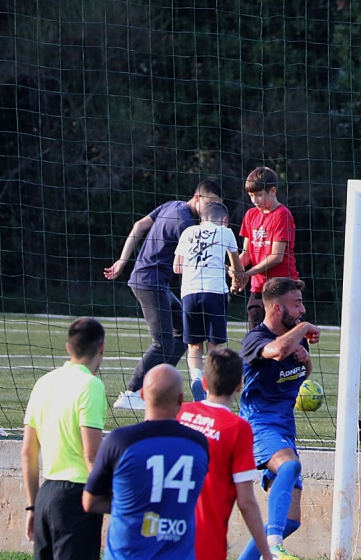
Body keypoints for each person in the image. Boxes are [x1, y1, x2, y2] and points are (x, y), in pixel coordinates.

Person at [75, 364, 209, 560]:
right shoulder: (199, 445)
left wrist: (128, 506)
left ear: (142, 396)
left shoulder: (121, 441)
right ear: (180, 399)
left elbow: (90, 501)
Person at [222, 277, 320, 560]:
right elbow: (276, 351)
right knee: (290, 467)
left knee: (292, 519)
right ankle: (273, 544)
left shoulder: (293, 341)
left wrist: (305, 359)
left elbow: (299, 371)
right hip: (258, 427)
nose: (303, 310)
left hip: (284, 430)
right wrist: (302, 330)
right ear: (277, 308)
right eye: (296, 305)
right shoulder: (256, 339)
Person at [177, 348, 278, 560]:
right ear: (239, 386)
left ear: (204, 382)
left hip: (165, 535)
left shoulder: (183, 414)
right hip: (203, 544)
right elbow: (247, 502)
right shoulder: (236, 429)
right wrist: (266, 555)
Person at [21, 318, 108, 560]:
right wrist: (108, 498)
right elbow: (92, 455)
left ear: (68, 347)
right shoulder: (91, 386)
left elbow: (28, 451)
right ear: (101, 348)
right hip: (75, 500)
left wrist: (31, 506)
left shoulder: (44, 382)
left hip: (45, 497)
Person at [105, 179, 224, 410]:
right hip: (150, 283)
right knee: (162, 342)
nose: (212, 210)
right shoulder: (186, 223)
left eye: (217, 206)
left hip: (155, 282)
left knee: (182, 333)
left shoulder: (171, 205)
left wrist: (123, 259)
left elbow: (139, 225)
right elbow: (194, 261)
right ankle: (132, 393)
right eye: (211, 203)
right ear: (198, 198)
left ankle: (157, 388)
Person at [173, 202, 245, 401]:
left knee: (194, 346)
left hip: (189, 293)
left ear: (202, 218)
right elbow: (237, 266)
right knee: (216, 346)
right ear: (224, 220)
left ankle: (196, 381)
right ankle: (212, 386)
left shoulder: (188, 232)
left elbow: (177, 267)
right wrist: (236, 281)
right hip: (214, 293)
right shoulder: (226, 232)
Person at [232, 167, 299, 331]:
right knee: (257, 340)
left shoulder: (282, 214)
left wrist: (247, 273)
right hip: (258, 289)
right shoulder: (250, 215)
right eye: (251, 195)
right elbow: (246, 254)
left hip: (282, 288)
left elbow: (277, 256)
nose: (255, 200)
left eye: (259, 194)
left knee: (286, 342)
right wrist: (236, 271)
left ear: (272, 191)